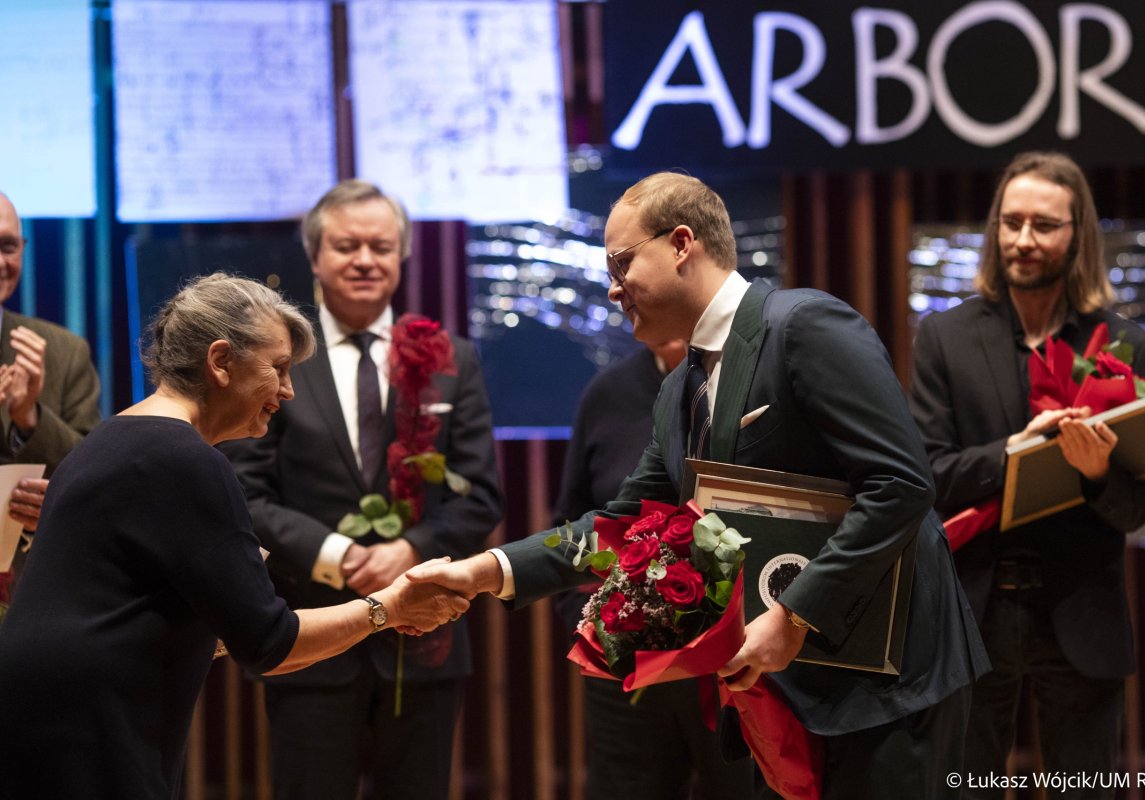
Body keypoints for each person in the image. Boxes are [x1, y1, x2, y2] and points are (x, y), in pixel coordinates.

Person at [409, 172, 990, 799]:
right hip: (792, 686)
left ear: (682, 243)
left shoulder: (803, 324)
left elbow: (901, 484)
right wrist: (482, 572)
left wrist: (795, 614)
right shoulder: (678, 391)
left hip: (892, 681)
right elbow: (618, 526)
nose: (612, 288)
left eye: (622, 263)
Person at [0, 273, 468, 800]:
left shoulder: (113, 437)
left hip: (45, 719)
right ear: (221, 361)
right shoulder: (186, 460)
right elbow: (271, 644)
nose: (288, 391)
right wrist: (389, 607)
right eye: (279, 368)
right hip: (90, 732)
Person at [220, 180, 502, 800]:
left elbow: (481, 494)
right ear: (316, 257)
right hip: (309, 637)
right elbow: (246, 492)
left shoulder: (451, 358)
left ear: (402, 256)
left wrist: (412, 549)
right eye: (347, 246)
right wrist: (340, 555)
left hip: (426, 634)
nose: (365, 260)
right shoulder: (277, 358)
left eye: (381, 246)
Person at [909, 151, 1145, 799]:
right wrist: (1012, 452)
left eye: (1044, 225)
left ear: (1078, 236)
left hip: (1083, 611)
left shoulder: (1128, 346)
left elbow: (1138, 508)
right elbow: (926, 476)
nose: (1023, 239)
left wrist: (1099, 473)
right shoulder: (943, 337)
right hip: (973, 610)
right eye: (1011, 222)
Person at [554, 338, 755, 799]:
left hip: (737, 664)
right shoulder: (607, 392)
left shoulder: (753, 379)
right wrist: (593, 628)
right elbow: (572, 522)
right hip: (628, 667)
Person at [0, 190, 100, 585]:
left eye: (8, 246)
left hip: (32, 592)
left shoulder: (63, 351)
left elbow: (94, 478)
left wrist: (30, 418)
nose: (0, 262)